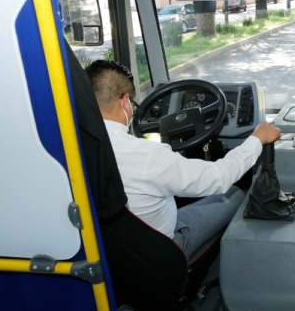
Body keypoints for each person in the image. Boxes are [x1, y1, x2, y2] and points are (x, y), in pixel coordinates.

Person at [85, 60, 281, 260]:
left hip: (106, 250)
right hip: (160, 252)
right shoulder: (146, 155)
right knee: (235, 194)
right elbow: (218, 178)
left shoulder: (67, 149)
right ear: (125, 102)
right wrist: (257, 138)